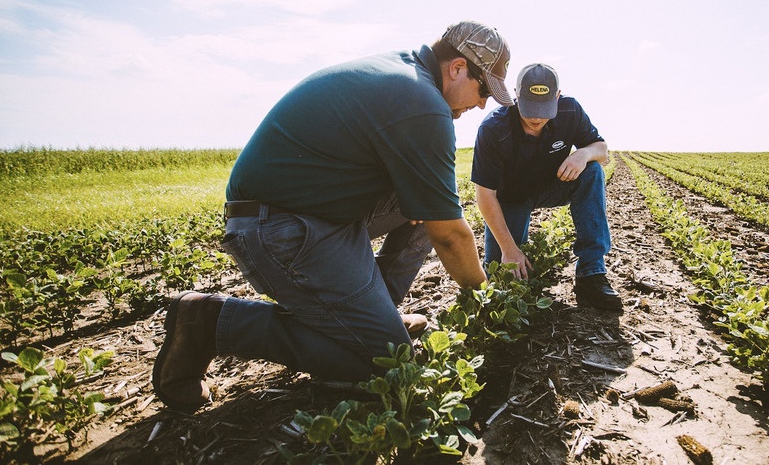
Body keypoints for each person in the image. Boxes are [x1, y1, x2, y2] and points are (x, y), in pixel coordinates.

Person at [152, 21, 512, 413]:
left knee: (429, 205)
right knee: (386, 361)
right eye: (482, 91)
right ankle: (210, 321)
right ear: (458, 67)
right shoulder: (422, 103)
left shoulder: (405, 75)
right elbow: (450, 236)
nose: (481, 105)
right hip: (278, 228)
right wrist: (485, 300)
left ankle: (371, 314)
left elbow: (436, 214)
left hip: (315, 214)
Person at [471, 63, 621, 310]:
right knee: (501, 277)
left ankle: (591, 272)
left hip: (553, 185)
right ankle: (512, 264)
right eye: (529, 107)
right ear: (516, 96)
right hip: (512, 197)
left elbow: (601, 149)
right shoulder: (493, 129)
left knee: (592, 171)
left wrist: (583, 153)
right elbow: (485, 194)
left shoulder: (570, 110)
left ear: (558, 97)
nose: (536, 117)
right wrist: (509, 249)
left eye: (544, 109)